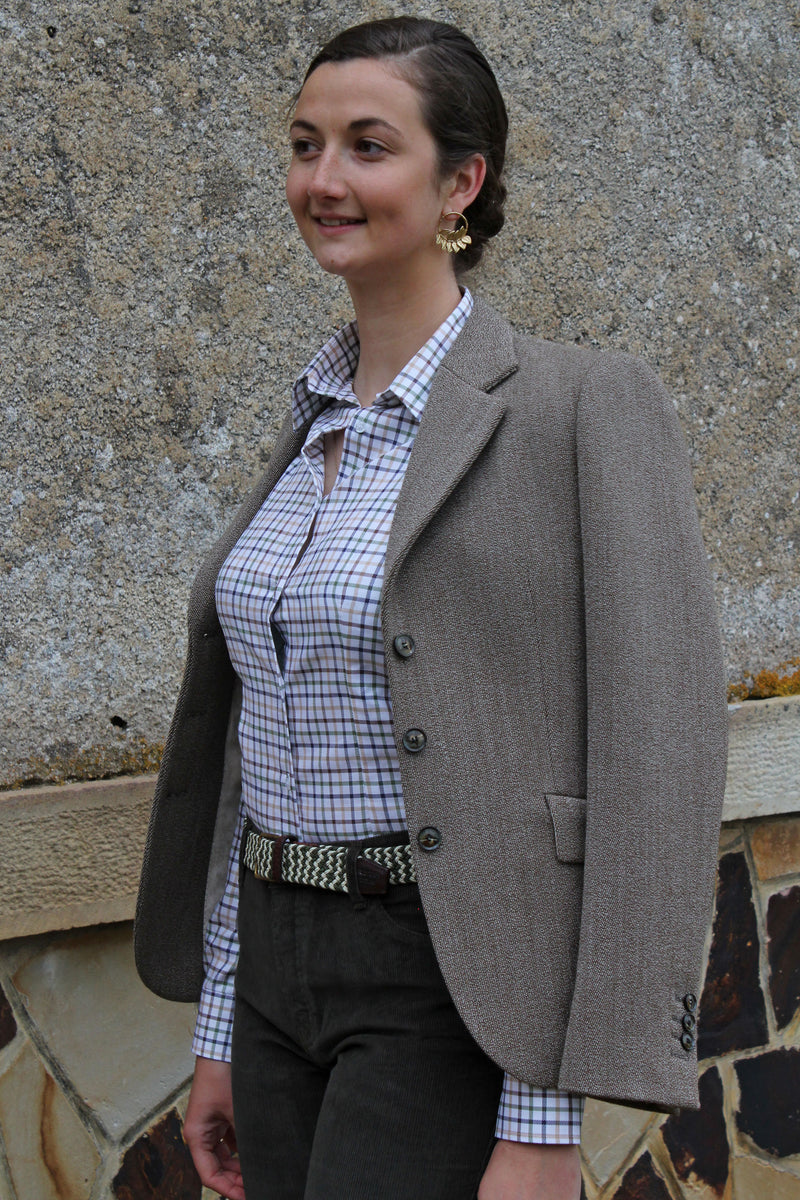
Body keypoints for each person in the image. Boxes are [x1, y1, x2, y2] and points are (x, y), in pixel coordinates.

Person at [135, 16, 728, 1200]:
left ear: (461, 180)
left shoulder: (577, 409)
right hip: (271, 969)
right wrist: (218, 1038)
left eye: (367, 146)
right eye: (305, 146)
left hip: (446, 978)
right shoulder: (311, 421)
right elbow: (264, 741)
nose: (323, 180)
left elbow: (652, 760)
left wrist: (540, 1114)